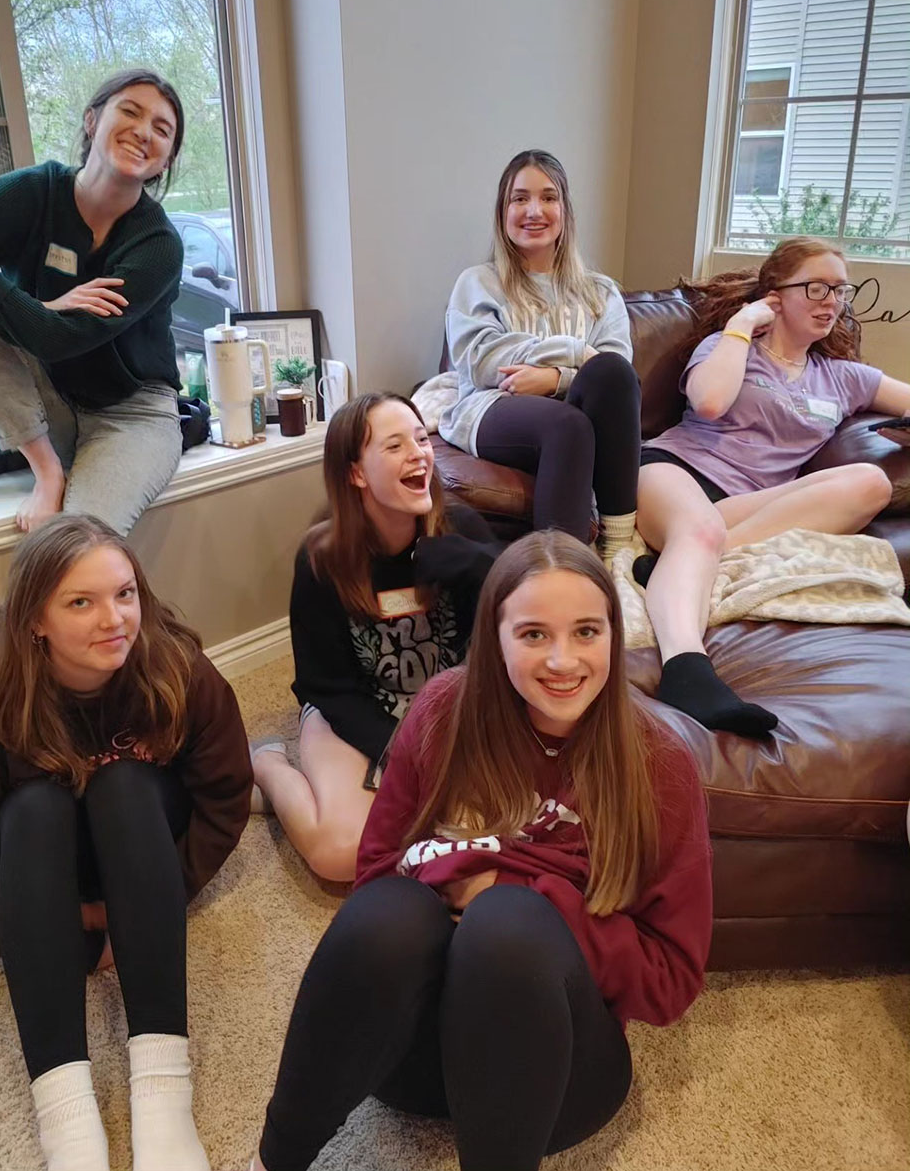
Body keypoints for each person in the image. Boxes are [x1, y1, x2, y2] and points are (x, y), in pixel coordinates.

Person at [248, 530, 712, 1171]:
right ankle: (273, 1160)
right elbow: (377, 874)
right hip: (410, 1061)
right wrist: (463, 878)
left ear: (615, 634)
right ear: (494, 637)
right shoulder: (444, 710)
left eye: (586, 632)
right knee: (390, 918)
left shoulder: (658, 764)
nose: (562, 660)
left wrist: (518, 894)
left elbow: (672, 979)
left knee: (507, 924)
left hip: (556, 1075)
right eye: (533, 634)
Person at [0, 515, 253, 1171]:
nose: (114, 619)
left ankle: (163, 1086)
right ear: (35, 621)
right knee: (34, 809)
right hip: (42, 871)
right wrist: (60, 937)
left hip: (140, 847)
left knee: (123, 785)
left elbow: (224, 799)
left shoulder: (178, 669)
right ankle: (66, 1116)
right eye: (82, 601)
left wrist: (151, 910)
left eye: (125, 594)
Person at [636, 235, 910, 737]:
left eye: (840, 290)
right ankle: (686, 671)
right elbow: (712, 402)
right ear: (774, 297)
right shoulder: (725, 346)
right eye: (816, 288)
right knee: (698, 531)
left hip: (751, 505)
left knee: (871, 482)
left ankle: (674, 566)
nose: (833, 302)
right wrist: (742, 324)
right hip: (675, 473)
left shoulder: (845, 377)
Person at [0, 68, 187, 535]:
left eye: (162, 130)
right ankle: (47, 471)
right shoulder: (29, 194)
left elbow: (61, 340)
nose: (143, 132)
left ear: (165, 161)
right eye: (131, 112)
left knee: (81, 548)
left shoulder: (157, 245)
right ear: (92, 121)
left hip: (131, 414)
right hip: (49, 401)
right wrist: (47, 311)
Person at [251, 391, 499, 883]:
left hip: (446, 707)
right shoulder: (323, 559)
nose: (419, 453)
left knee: (486, 833)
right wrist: (406, 755)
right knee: (342, 856)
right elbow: (326, 687)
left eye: (421, 438)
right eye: (394, 445)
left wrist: (477, 564)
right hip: (356, 711)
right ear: (357, 473)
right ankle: (269, 768)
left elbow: (533, 598)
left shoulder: (461, 530)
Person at [440, 148, 641, 559]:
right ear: (503, 211)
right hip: (493, 405)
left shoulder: (600, 291)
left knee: (612, 377)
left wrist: (555, 379)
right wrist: (574, 351)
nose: (535, 210)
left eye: (549, 198)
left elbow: (614, 367)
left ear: (565, 211)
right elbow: (483, 361)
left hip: (576, 406)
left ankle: (617, 553)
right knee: (567, 424)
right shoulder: (478, 282)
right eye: (520, 198)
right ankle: (564, 570)